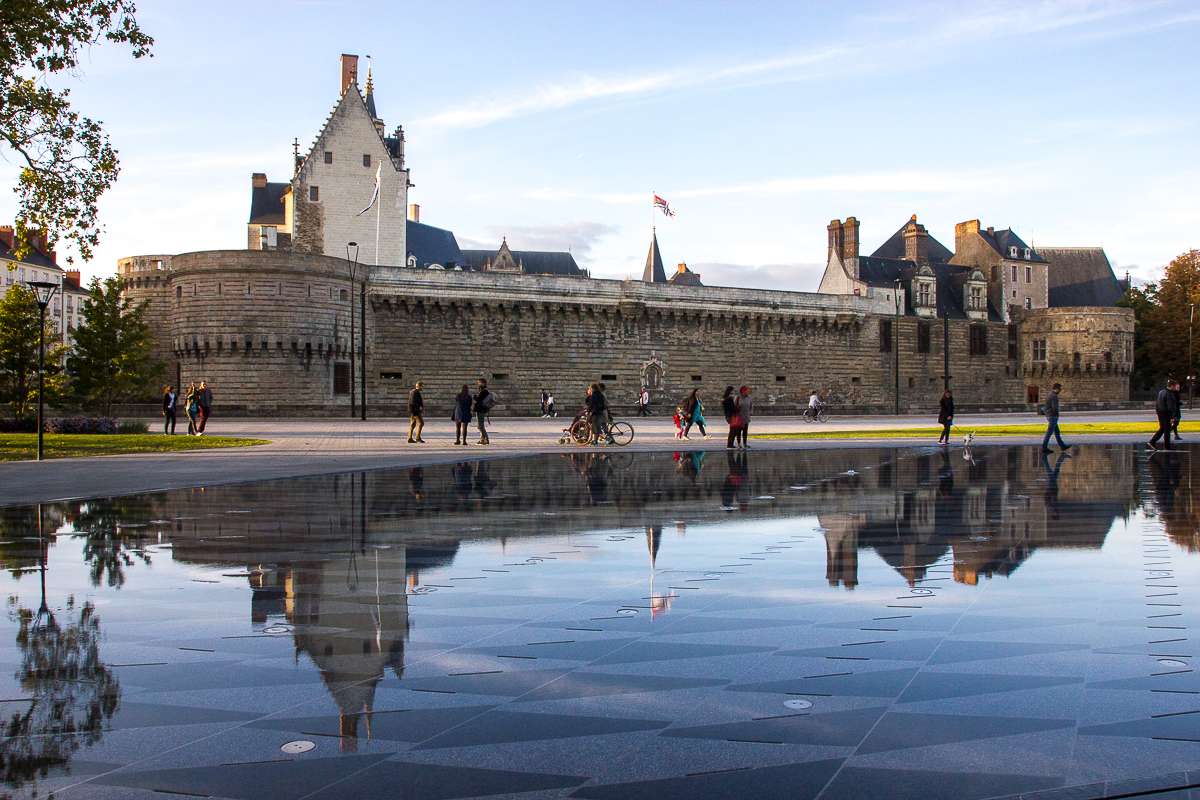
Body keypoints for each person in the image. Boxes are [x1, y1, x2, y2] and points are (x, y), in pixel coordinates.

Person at [1040, 383, 1070, 453]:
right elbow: (1055, 407)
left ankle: (1062, 446)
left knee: (1056, 431)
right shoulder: (1054, 396)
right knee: (1049, 431)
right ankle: (1044, 447)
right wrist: (1056, 415)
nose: (1060, 391)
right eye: (1060, 389)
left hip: (1048, 414)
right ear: (1056, 389)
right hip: (1052, 415)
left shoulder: (1049, 394)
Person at [1150, 379, 1180, 451]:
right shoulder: (1169, 394)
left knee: (1162, 428)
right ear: (1172, 386)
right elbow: (1170, 406)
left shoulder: (1161, 392)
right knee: (1167, 430)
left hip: (1160, 412)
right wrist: (1172, 416)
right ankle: (1167, 446)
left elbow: (1158, 403)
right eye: (1175, 386)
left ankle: (1153, 441)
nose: (1175, 388)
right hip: (1166, 413)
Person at [473, 379, 492, 444]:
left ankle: (485, 438)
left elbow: (479, 399)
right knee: (479, 426)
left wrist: (475, 397)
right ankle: (482, 438)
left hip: (481, 409)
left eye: (479, 382)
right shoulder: (482, 391)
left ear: (483, 383)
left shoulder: (485, 391)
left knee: (480, 426)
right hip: (480, 409)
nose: (478, 384)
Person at [722, 385, 739, 450]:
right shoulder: (729, 399)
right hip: (731, 416)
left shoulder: (725, 399)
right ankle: (730, 443)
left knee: (733, 429)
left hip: (728, 415)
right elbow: (732, 408)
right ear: (730, 391)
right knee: (733, 430)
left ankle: (730, 443)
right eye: (732, 390)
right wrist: (737, 409)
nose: (733, 392)